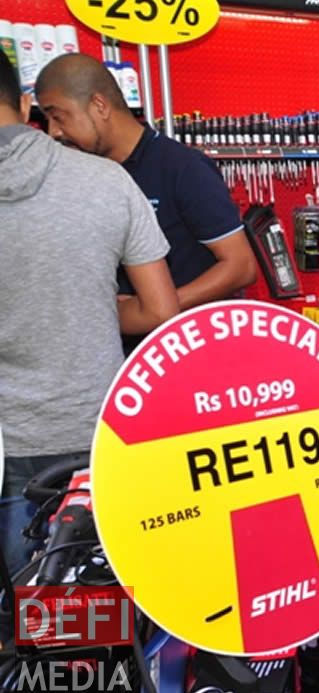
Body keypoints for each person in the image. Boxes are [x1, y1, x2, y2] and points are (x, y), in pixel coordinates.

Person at [0, 52, 177, 596]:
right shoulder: (107, 181)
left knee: (28, 626)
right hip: (104, 434)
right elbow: (161, 312)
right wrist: (90, 300)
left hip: (10, 446)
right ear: (26, 103)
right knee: (106, 615)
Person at [34, 54, 256, 352]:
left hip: (191, 354)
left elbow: (240, 266)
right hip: (121, 357)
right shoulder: (84, 176)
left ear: (99, 106)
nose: (54, 132)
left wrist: (154, 308)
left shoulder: (181, 168)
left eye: (58, 116)